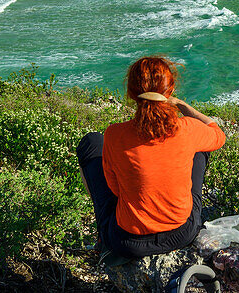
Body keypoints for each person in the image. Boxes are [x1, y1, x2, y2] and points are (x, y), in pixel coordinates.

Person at [76, 56, 225, 259]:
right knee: (201, 147)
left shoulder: (114, 134)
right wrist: (181, 105)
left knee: (92, 142)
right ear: (169, 91)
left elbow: (115, 190)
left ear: (131, 94)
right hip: (182, 234)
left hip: (128, 242)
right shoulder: (186, 129)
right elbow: (217, 132)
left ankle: (103, 235)